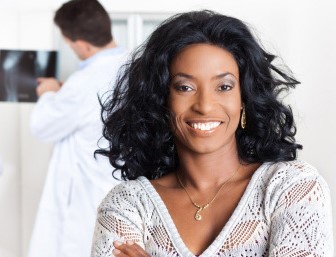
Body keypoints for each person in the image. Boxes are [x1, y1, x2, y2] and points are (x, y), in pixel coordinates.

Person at [90, 10, 334, 257]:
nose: (204, 105)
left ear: (244, 99)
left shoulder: (291, 188)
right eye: (185, 87)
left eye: (224, 87)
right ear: (161, 101)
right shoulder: (126, 206)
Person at [28, 1, 127, 257]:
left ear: (81, 43)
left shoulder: (84, 81)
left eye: (69, 43)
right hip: (121, 192)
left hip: (84, 202)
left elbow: (41, 127)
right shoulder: (134, 68)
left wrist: (48, 94)